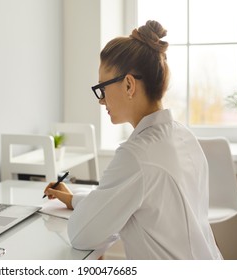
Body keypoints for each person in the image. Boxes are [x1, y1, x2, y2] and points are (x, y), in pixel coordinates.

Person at [44, 20, 223, 260]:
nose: (101, 100)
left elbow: (82, 234)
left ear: (129, 84)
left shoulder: (137, 155)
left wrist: (83, 208)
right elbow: (125, 199)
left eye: (102, 88)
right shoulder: (183, 136)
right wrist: (73, 199)